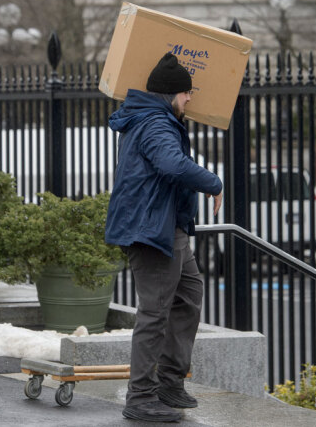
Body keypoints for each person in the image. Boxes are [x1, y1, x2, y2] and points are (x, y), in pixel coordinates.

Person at [105, 52, 224, 423]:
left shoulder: (155, 118)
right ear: (173, 93)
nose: (191, 99)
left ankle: (169, 381)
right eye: (187, 93)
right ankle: (140, 396)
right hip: (151, 230)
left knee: (189, 294)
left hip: (165, 226)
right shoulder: (156, 122)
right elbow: (171, 164)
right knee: (154, 313)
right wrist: (214, 182)